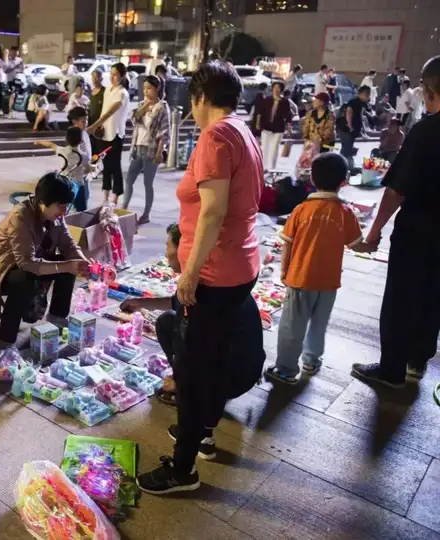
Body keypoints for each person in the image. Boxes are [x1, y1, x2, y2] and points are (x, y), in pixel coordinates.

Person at [136, 61, 264, 495]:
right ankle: (200, 431)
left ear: (200, 98)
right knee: (208, 359)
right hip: (240, 267)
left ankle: (182, 469)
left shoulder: (214, 136)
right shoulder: (243, 131)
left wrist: (189, 274)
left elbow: (213, 210)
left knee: (192, 371)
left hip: (214, 274)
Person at [352, 56, 440, 388]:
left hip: (418, 232)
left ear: (429, 90)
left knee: (402, 299)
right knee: (433, 298)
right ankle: (418, 360)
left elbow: (396, 190)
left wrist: (373, 233)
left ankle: (392, 369)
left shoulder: (426, 131)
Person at [121, 224, 266, 410]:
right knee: (167, 321)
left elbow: (198, 346)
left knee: (180, 331)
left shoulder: (204, 292)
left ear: (184, 250)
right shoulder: (212, 278)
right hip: (240, 371)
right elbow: (176, 302)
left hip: (231, 378)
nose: (166, 254)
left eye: (168, 245)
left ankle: (195, 396)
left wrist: (183, 383)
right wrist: (139, 303)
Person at [265, 154, 365, 384]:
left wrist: (284, 272)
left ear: (311, 177)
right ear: (344, 181)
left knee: (292, 326)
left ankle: (286, 370)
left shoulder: (301, 210)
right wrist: (371, 244)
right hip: (329, 282)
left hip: (300, 278)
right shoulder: (346, 212)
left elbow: (287, 243)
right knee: (319, 324)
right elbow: (356, 245)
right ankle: (311, 361)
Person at [0, 173, 91, 350]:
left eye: (66, 207)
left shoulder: (55, 215)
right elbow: (27, 262)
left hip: (25, 264)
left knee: (69, 263)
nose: (64, 213)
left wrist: (85, 263)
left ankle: (56, 321)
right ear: (43, 202)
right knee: (25, 278)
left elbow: (68, 245)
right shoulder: (20, 217)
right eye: (60, 207)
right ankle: (4, 340)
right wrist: (67, 266)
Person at [122, 75, 170, 224]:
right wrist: (144, 107)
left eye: (149, 88)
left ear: (157, 89)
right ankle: (123, 208)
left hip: (151, 149)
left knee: (147, 183)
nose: (146, 92)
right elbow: (133, 120)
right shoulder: (142, 104)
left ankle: (146, 214)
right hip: (138, 147)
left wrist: (159, 152)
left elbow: (164, 132)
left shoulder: (162, 107)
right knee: (129, 179)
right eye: (144, 88)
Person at [88, 62, 130, 204]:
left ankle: (116, 197)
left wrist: (94, 126)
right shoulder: (108, 90)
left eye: (116, 75)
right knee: (105, 166)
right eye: (111, 74)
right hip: (104, 134)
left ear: (122, 76)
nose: (112, 77)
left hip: (116, 135)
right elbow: (102, 110)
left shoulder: (122, 93)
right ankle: (105, 196)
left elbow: (110, 111)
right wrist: (98, 127)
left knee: (115, 166)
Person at [34, 127, 92, 211]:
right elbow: (87, 170)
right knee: (81, 210)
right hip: (79, 185)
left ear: (67, 139)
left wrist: (38, 141)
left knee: (63, 209)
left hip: (64, 184)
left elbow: (50, 144)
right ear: (81, 140)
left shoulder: (61, 150)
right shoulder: (84, 156)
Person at [258, 81, 293, 171]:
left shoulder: (285, 102)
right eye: (274, 88)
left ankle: (271, 168)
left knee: (274, 148)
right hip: (266, 127)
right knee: (264, 148)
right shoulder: (267, 99)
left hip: (278, 128)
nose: (276, 90)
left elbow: (288, 115)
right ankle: (263, 168)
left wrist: (289, 128)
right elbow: (260, 112)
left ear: (281, 90)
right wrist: (258, 124)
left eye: (278, 88)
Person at [338, 85, 371, 171]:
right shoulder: (353, 101)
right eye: (367, 94)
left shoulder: (362, 103)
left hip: (353, 129)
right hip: (345, 128)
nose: (368, 96)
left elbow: (361, 115)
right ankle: (346, 166)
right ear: (361, 94)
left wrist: (362, 130)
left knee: (347, 147)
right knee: (347, 147)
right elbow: (349, 113)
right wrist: (350, 125)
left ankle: (345, 166)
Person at [87, 70, 105, 154]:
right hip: (90, 124)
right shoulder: (90, 92)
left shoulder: (104, 92)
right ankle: (92, 165)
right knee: (90, 147)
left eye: (96, 77)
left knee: (99, 148)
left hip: (99, 125)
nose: (94, 80)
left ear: (101, 78)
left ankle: (96, 165)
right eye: (93, 77)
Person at [6, 46, 24, 115]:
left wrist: (20, 68)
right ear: (11, 52)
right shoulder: (8, 60)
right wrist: (15, 68)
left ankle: (12, 108)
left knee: (15, 95)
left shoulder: (20, 60)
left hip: (17, 80)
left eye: (16, 53)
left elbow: (22, 70)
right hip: (10, 80)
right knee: (12, 94)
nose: (15, 54)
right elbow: (6, 70)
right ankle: (10, 110)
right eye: (13, 53)